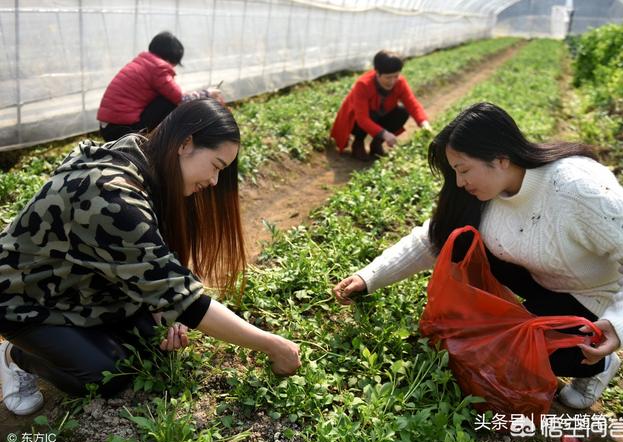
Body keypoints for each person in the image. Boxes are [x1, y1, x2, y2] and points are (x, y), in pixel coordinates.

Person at [0, 99, 300, 416]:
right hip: (25, 299)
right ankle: (16, 356)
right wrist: (272, 345)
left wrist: (163, 304)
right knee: (107, 376)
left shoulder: (146, 156)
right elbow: (190, 302)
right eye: (216, 166)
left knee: (154, 347)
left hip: (85, 285)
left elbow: (162, 267)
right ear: (186, 144)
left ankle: (79, 338)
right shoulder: (112, 195)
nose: (214, 182)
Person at [333, 102, 623, 409]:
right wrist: (368, 277)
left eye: (463, 170)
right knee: (464, 245)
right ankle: (528, 320)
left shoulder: (579, 189)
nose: (459, 182)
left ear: (501, 159)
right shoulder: (484, 193)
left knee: (514, 355)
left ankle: (598, 366)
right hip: (542, 279)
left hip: (593, 299)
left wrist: (618, 323)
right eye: (454, 171)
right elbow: (433, 239)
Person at [97, 31, 224, 142]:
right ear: (172, 58)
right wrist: (208, 93)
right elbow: (180, 99)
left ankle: (154, 137)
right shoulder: (158, 68)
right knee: (170, 102)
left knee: (166, 98)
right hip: (121, 131)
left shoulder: (144, 62)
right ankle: (156, 140)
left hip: (108, 127)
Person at [330, 50, 432, 161]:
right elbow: (362, 119)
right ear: (377, 73)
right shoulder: (363, 85)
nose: (392, 81)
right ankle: (358, 143)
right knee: (365, 117)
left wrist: (424, 123)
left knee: (402, 112)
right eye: (388, 77)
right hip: (357, 121)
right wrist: (385, 134)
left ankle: (376, 144)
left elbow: (412, 103)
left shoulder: (400, 82)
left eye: (396, 76)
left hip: (379, 115)